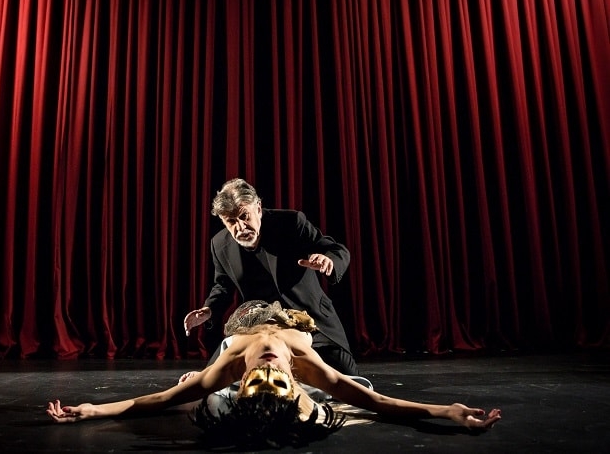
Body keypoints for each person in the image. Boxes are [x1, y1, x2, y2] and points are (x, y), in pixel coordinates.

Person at [46, 320, 501, 449]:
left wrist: (91, 409)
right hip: (290, 322)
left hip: (243, 327)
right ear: (293, 381)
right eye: (277, 379)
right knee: (353, 387)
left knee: (192, 392)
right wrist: (447, 411)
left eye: (257, 379)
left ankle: (219, 403)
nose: (267, 366)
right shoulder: (309, 367)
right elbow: (381, 402)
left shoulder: (225, 369)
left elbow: (156, 400)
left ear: (243, 381)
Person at [184, 178, 359, 375]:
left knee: (345, 376)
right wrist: (208, 310)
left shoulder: (291, 223)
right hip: (261, 326)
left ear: (258, 208)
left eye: (244, 216)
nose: (240, 228)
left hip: (308, 319)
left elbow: (335, 249)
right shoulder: (219, 244)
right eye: (231, 222)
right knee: (213, 378)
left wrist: (329, 261)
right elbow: (223, 286)